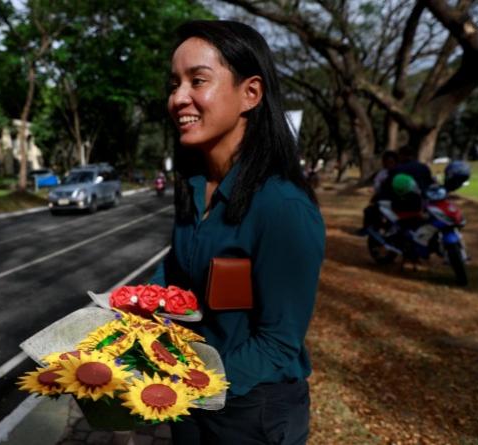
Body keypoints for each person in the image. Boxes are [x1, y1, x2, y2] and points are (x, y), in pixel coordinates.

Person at [150, 20, 325, 444]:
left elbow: (278, 343)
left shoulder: (283, 208)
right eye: (175, 84)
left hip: (253, 411)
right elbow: (176, 274)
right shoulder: (194, 186)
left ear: (251, 93)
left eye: (198, 81)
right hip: (193, 399)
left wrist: (189, 385)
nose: (178, 98)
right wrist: (126, 321)